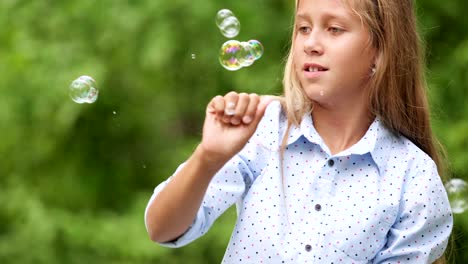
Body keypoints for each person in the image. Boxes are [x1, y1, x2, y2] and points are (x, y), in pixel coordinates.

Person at [144, 0, 453, 263]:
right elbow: (162, 228)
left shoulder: (413, 177)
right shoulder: (263, 132)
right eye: (303, 28)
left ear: (380, 50)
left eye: (334, 29)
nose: (311, 43)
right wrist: (208, 158)